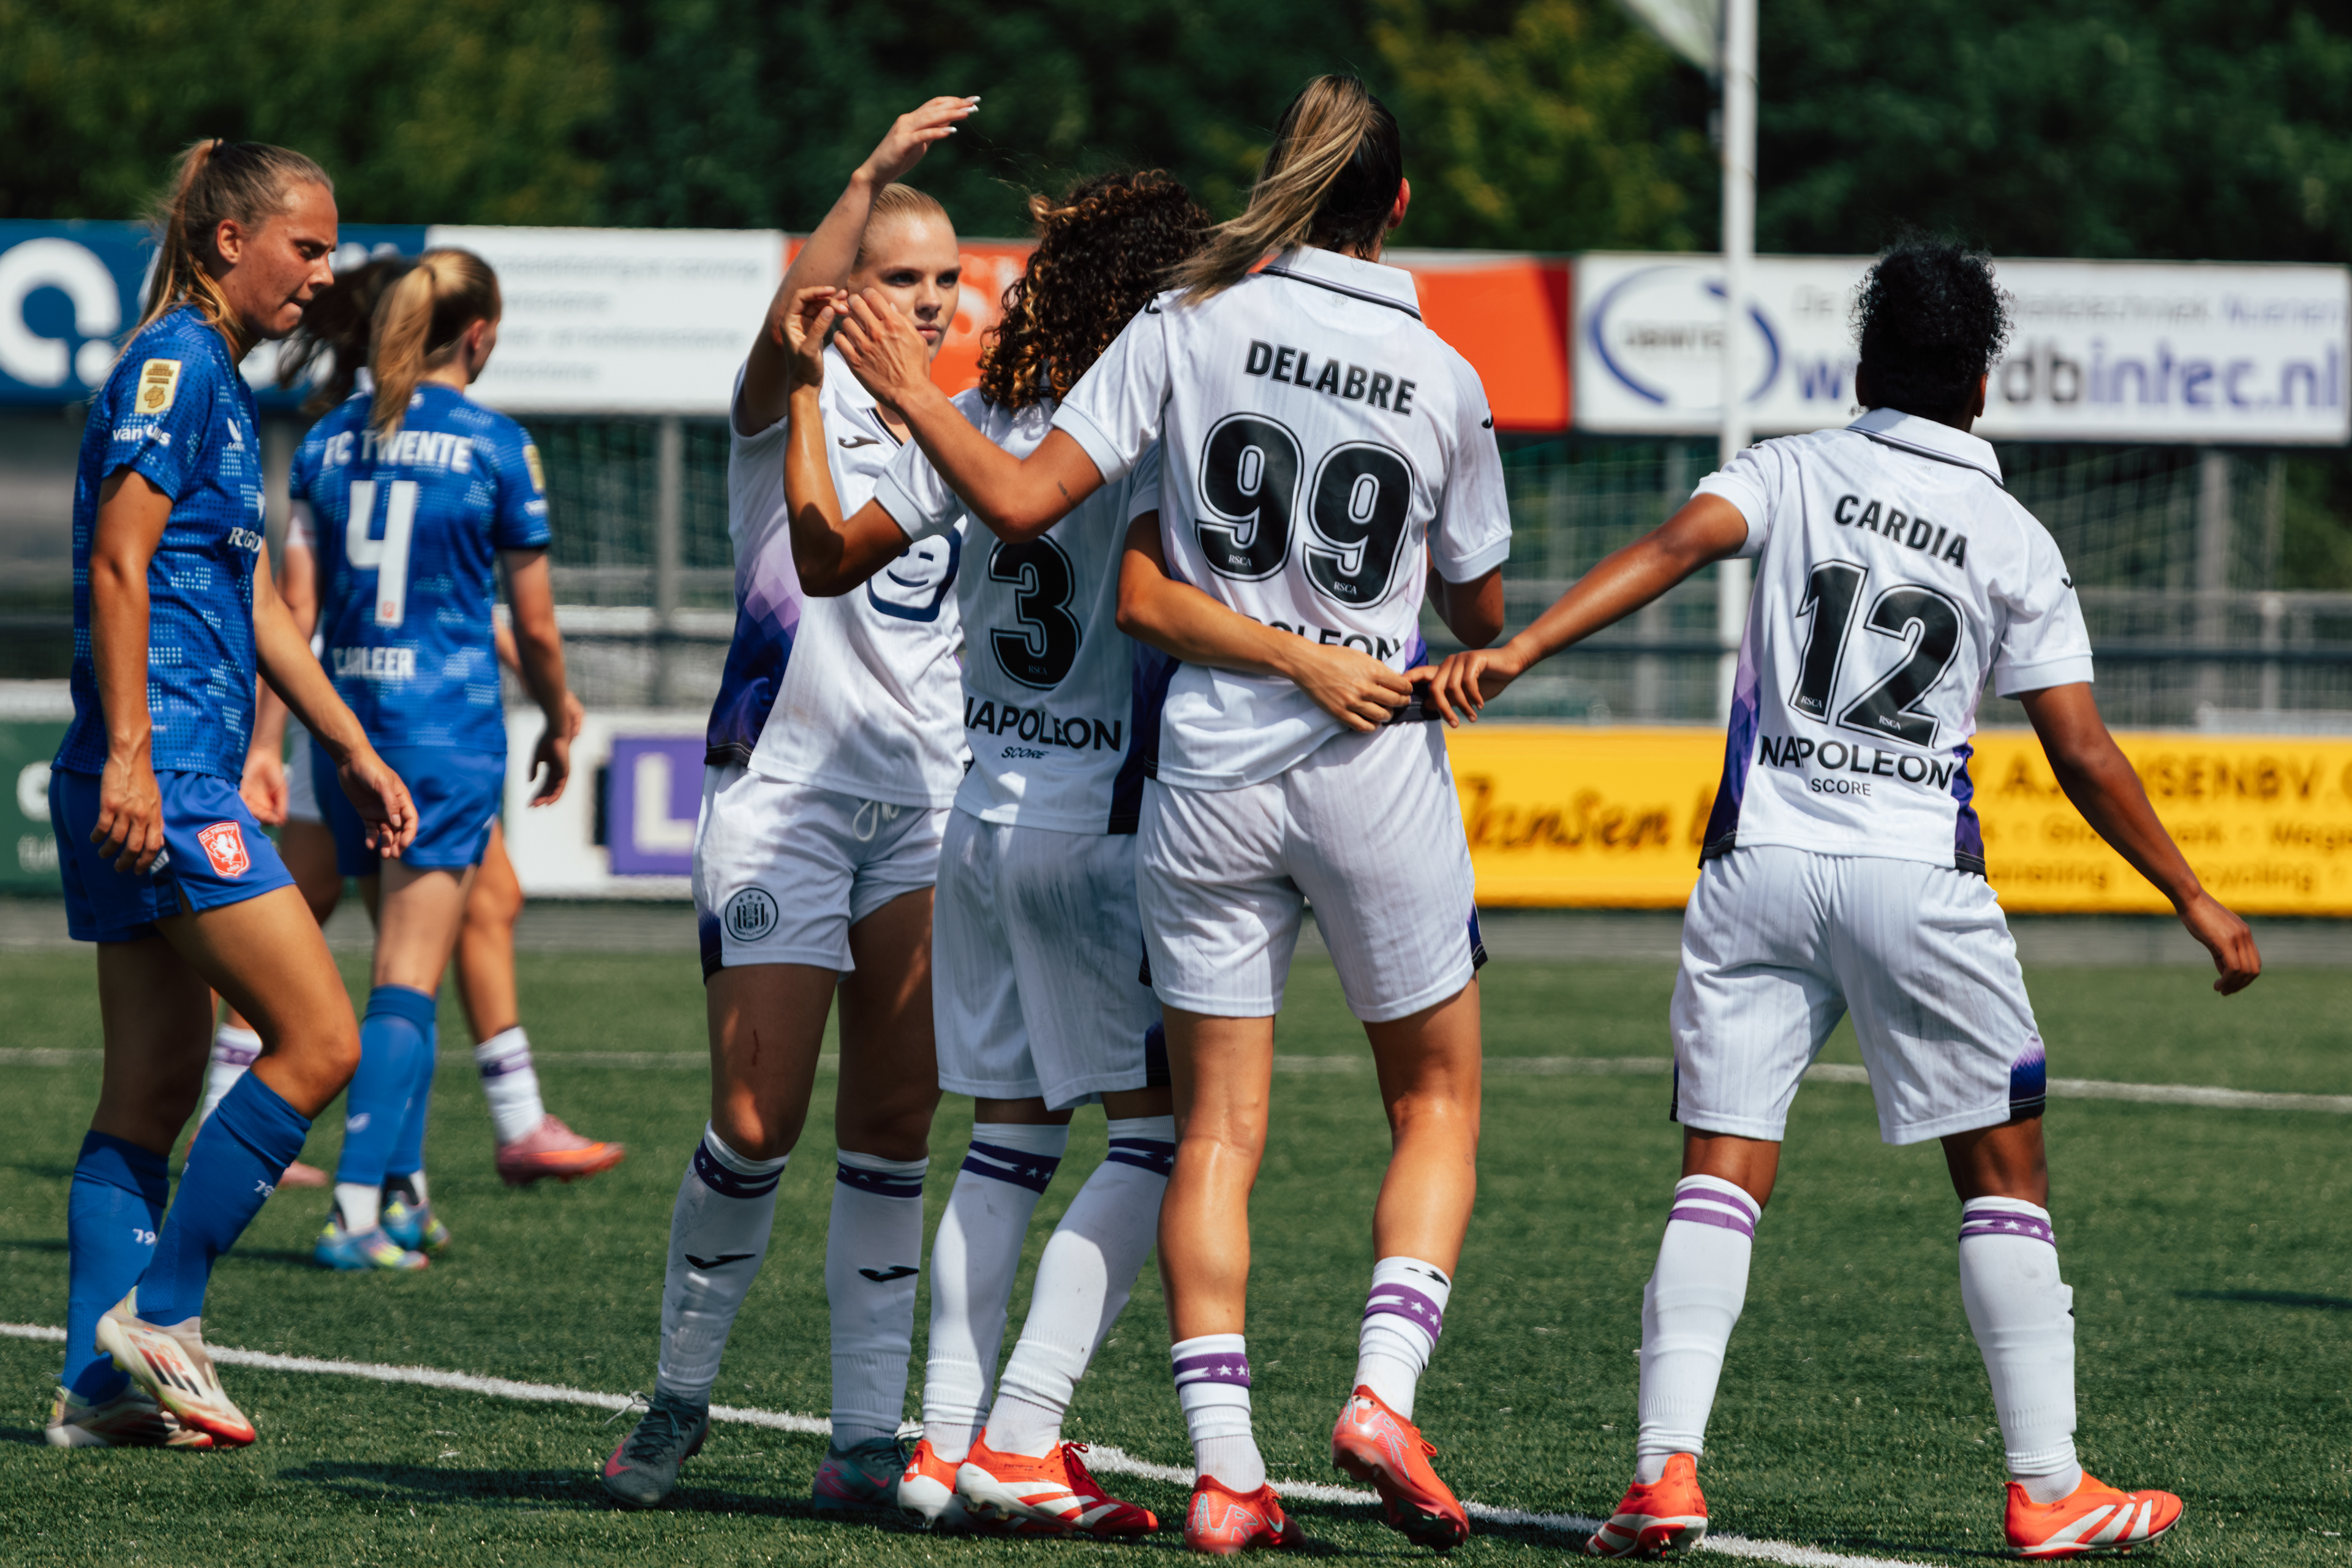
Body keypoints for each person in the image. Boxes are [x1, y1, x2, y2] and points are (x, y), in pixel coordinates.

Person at [1413, 239, 2262, 1560]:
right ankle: (2047, 1483)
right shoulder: (2013, 534)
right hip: (1916, 874)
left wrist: (1517, 644)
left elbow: (1674, 544)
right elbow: (2083, 750)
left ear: (1862, 368)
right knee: (2004, 1176)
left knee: (1721, 1171)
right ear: (1981, 387)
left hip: (1758, 865)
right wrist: (2196, 897)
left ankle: (1663, 1474)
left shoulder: (1792, 466)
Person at [831, 75, 1510, 1555]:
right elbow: (1480, 602)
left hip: (1182, 777)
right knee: (1436, 1096)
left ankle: (1212, 1465)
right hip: (1345, 762)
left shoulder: (1183, 332)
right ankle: (1376, 1386)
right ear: (1397, 204)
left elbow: (1035, 521)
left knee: (1201, 1132)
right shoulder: (1444, 375)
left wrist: (894, 399)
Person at [777, 168, 1210, 1537]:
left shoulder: (980, 418)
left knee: (1010, 1137)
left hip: (977, 818)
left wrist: (808, 400)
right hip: (1100, 825)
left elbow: (828, 553)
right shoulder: (1143, 429)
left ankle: (942, 1445)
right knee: (1161, 1134)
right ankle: (1025, 1430)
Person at [600, 95, 981, 1513]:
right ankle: (678, 1401)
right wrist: (874, 171)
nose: (932, 303)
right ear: (845, 290)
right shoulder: (784, 405)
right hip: (785, 798)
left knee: (893, 1127)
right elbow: (793, 315)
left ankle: (868, 1438)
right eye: (903, 277)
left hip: (926, 810)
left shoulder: (965, 421)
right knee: (756, 1119)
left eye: (946, 280)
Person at [45, 139, 415, 1450]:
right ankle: (166, 1312)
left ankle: (95, 1394)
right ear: (227, 242)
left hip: (153, 765)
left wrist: (352, 746)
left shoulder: (212, 375)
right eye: (305, 248)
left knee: (147, 1093)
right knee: (324, 1040)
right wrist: (142, 755)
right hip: (167, 771)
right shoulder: (176, 364)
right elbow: (118, 560)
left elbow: (247, 596)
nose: (322, 273)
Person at [234, 256, 619, 1215]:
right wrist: (559, 717)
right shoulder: (495, 445)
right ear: (479, 336)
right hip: (446, 730)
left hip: (349, 730)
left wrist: (270, 743)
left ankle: (399, 1194)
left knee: (403, 956)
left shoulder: (326, 443)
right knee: (409, 971)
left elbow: (292, 606)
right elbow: (532, 624)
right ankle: (360, 1208)